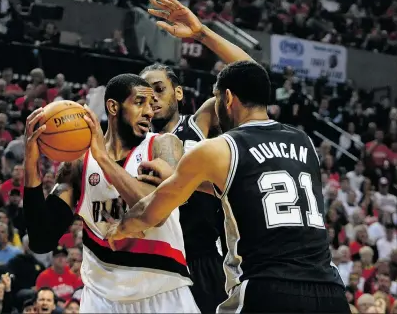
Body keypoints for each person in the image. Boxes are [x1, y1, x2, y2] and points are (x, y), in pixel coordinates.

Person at [106, 60, 350, 313]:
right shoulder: (305, 142)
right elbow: (246, 186)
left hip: (267, 287)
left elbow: (151, 212)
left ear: (228, 98)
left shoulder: (218, 147)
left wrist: (120, 228)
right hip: (330, 290)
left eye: (216, 97)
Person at [23, 74, 199, 312]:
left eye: (151, 104)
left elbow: (154, 211)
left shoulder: (163, 145)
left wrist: (103, 158)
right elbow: (41, 240)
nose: (149, 111)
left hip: (162, 289)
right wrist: (31, 164)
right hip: (101, 299)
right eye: (139, 102)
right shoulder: (77, 165)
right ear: (113, 106)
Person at [137, 0, 253, 311]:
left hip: (203, 257)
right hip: (156, 259)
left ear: (178, 92)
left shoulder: (200, 123)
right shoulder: (136, 143)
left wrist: (201, 33)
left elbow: (249, 74)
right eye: (144, 96)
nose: (152, 100)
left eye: (159, 90)